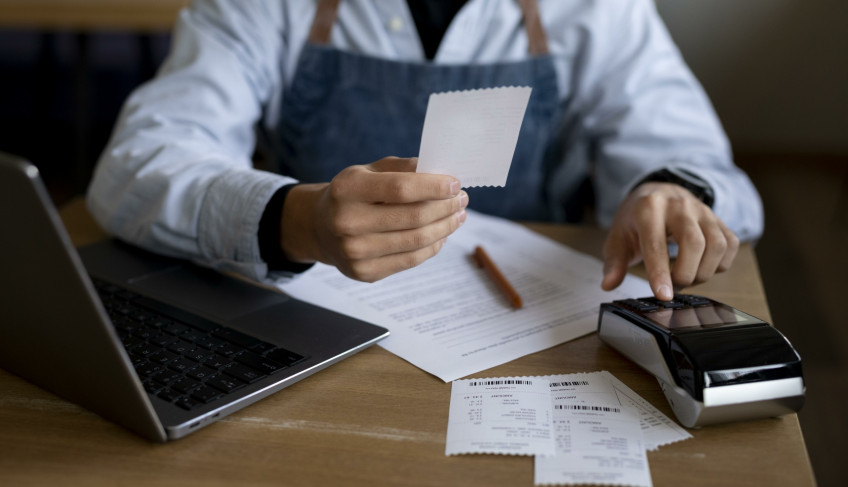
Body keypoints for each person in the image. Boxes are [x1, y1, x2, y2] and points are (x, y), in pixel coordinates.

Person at [87, 0, 763, 302]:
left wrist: (672, 190)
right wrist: (297, 219)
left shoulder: (597, 8)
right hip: (307, 330)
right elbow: (134, 166)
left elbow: (698, 159)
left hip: (526, 330)